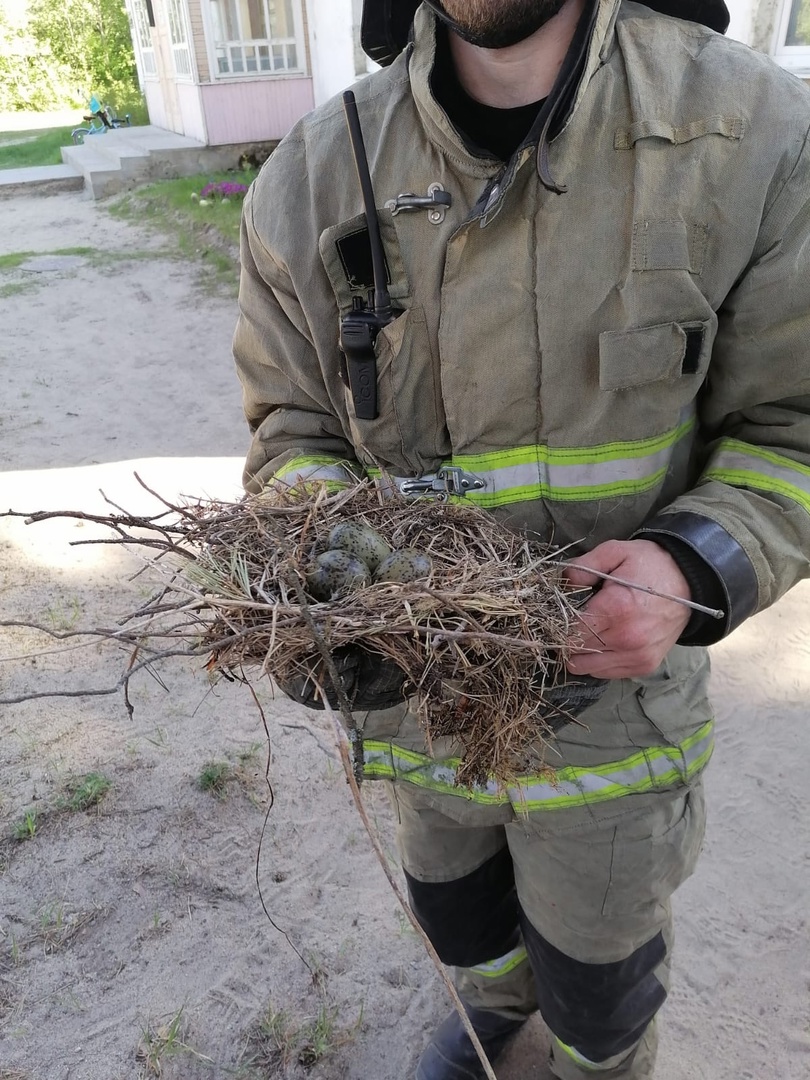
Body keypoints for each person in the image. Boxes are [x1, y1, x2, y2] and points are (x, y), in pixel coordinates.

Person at [232, 0, 810, 1075]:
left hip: (616, 734)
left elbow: (795, 427)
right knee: (461, 921)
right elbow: (294, 431)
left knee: (602, 986)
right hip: (419, 719)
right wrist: (326, 564)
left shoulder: (761, 138)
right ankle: (499, 1023)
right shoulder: (309, 179)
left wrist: (697, 563)